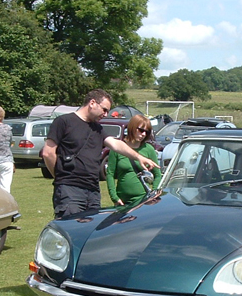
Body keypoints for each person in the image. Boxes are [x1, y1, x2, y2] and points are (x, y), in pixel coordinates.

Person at [42, 89, 158, 219]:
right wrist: (60, 178)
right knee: (72, 231)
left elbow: (115, 144)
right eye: (104, 109)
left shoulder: (97, 128)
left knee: (91, 234)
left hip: (93, 191)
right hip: (70, 190)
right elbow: (48, 153)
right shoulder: (64, 122)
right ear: (92, 103)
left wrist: (138, 157)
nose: (106, 114)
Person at [106, 114, 161, 205]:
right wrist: (114, 197)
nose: (143, 134)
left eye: (146, 132)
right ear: (132, 127)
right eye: (141, 130)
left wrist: (153, 193)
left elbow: (158, 174)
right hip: (122, 201)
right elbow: (110, 174)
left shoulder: (148, 149)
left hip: (143, 200)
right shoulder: (118, 148)